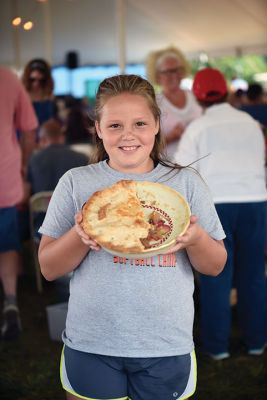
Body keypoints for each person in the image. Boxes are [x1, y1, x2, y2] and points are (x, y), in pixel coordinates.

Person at [38, 74, 227, 400]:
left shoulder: (185, 184)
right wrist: (79, 234)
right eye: (114, 126)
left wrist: (196, 238)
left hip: (166, 343)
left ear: (156, 124)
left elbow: (215, 266)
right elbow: (49, 268)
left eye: (140, 123)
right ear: (98, 128)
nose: (128, 135)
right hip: (92, 341)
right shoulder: (76, 182)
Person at [174, 68, 267, 360]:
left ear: (199, 96)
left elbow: (182, 171)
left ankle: (217, 348)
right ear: (226, 92)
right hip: (256, 202)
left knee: (217, 277)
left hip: (217, 205)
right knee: (253, 275)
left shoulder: (198, 127)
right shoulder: (251, 123)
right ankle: (256, 341)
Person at [0, 66, 37, 340]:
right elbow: (29, 131)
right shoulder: (8, 77)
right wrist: (23, 166)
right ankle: (11, 300)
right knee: (8, 243)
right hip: (5, 176)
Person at [146, 46, 202, 160]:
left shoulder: (195, 96)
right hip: (169, 169)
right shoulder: (153, 103)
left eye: (178, 69)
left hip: (199, 164)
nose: (175, 75)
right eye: (168, 72)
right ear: (157, 76)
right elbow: (145, 145)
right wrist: (171, 137)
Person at [22, 58, 55, 141]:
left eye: (41, 80)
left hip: (43, 138)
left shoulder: (49, 96)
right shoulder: (22, 96)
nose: (36, 83)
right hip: (25, 137)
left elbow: (49, 121)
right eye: (32, 80)